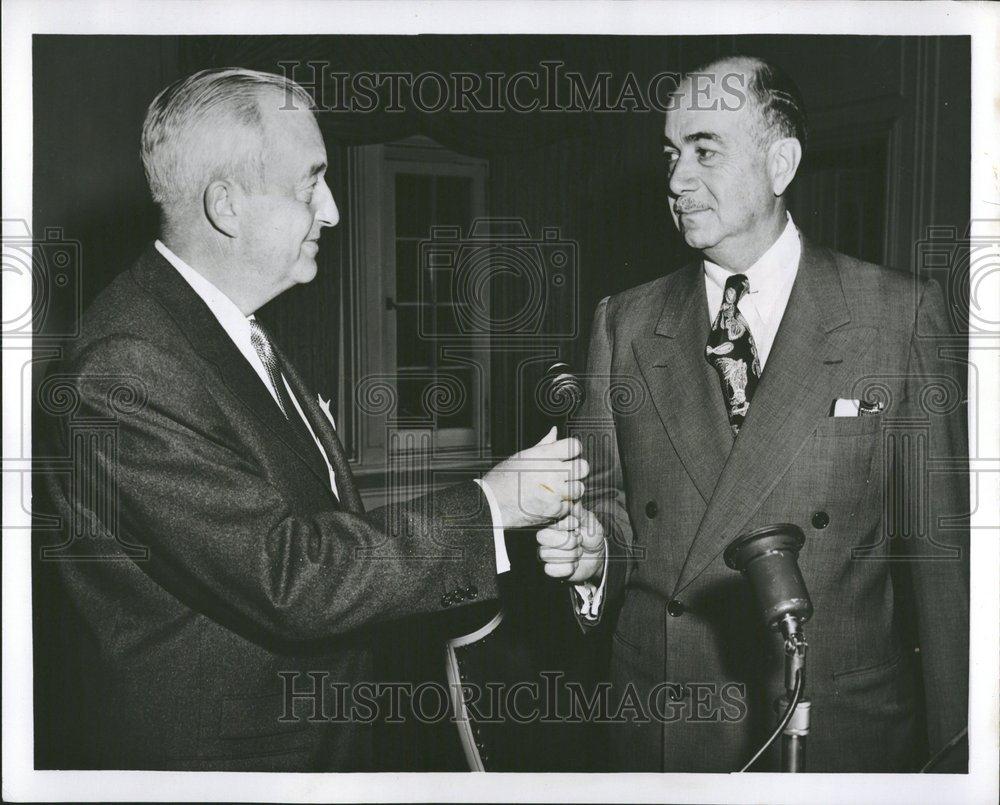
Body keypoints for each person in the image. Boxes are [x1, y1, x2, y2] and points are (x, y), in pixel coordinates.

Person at [42, 67, 587, 771]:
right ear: (227, 206)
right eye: (310, 182)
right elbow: (291, 578)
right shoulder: (123, 370)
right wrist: (489, 505)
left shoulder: (225, 329)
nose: (331, 210)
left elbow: (315, 525)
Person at [536, 55, 968, 772]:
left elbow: (946, 572)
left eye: (705, 149)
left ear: (781, 161)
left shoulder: (898, 314)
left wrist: (962, 762)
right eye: (672, 154)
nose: (675, 180)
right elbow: (610, 503)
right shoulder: (626, 322)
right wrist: (593, 554)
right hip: (669, 728)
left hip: (837, 732)